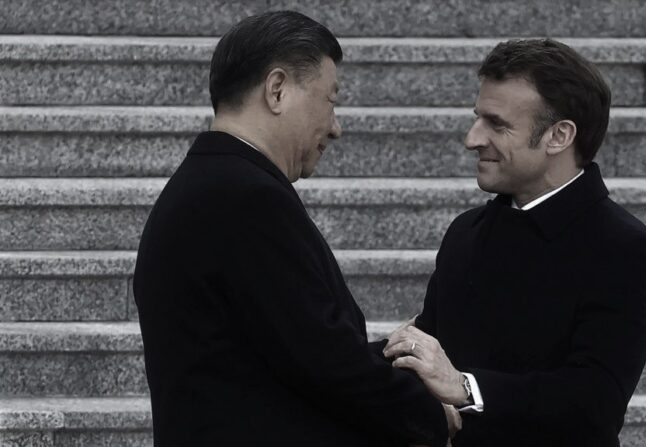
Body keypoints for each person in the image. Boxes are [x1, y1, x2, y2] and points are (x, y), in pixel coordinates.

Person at [133, 11, 454, 446]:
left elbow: (276, 350)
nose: (336, 128)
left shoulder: (210, 184)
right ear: (277, 90)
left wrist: (394, 353)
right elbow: (324, 363)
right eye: (331, 101)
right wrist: (434, 412)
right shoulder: (244, 198)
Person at [383, 39, 646, 446]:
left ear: (558, 136)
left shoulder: (624, 249)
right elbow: (429, 353)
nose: (472, 138)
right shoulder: (467, 231)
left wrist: (465, 388)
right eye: (477, 118)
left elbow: (594, 402)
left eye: (496, 124)